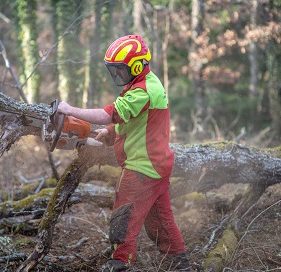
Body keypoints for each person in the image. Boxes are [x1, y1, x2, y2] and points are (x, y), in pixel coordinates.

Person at [58, 35, 191, 272]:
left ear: (137, 66)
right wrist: (111, 132)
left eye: (121, 70)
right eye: (115, 70)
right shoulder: (144, 83)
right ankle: (179, 265)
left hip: (142, 168)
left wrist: (70, 110)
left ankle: (119, 263)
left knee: (124, 218)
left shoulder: (144, 90)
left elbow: (111, 113)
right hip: (157, 167)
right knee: (160, 222)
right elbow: (135, 119)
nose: (118, 75)